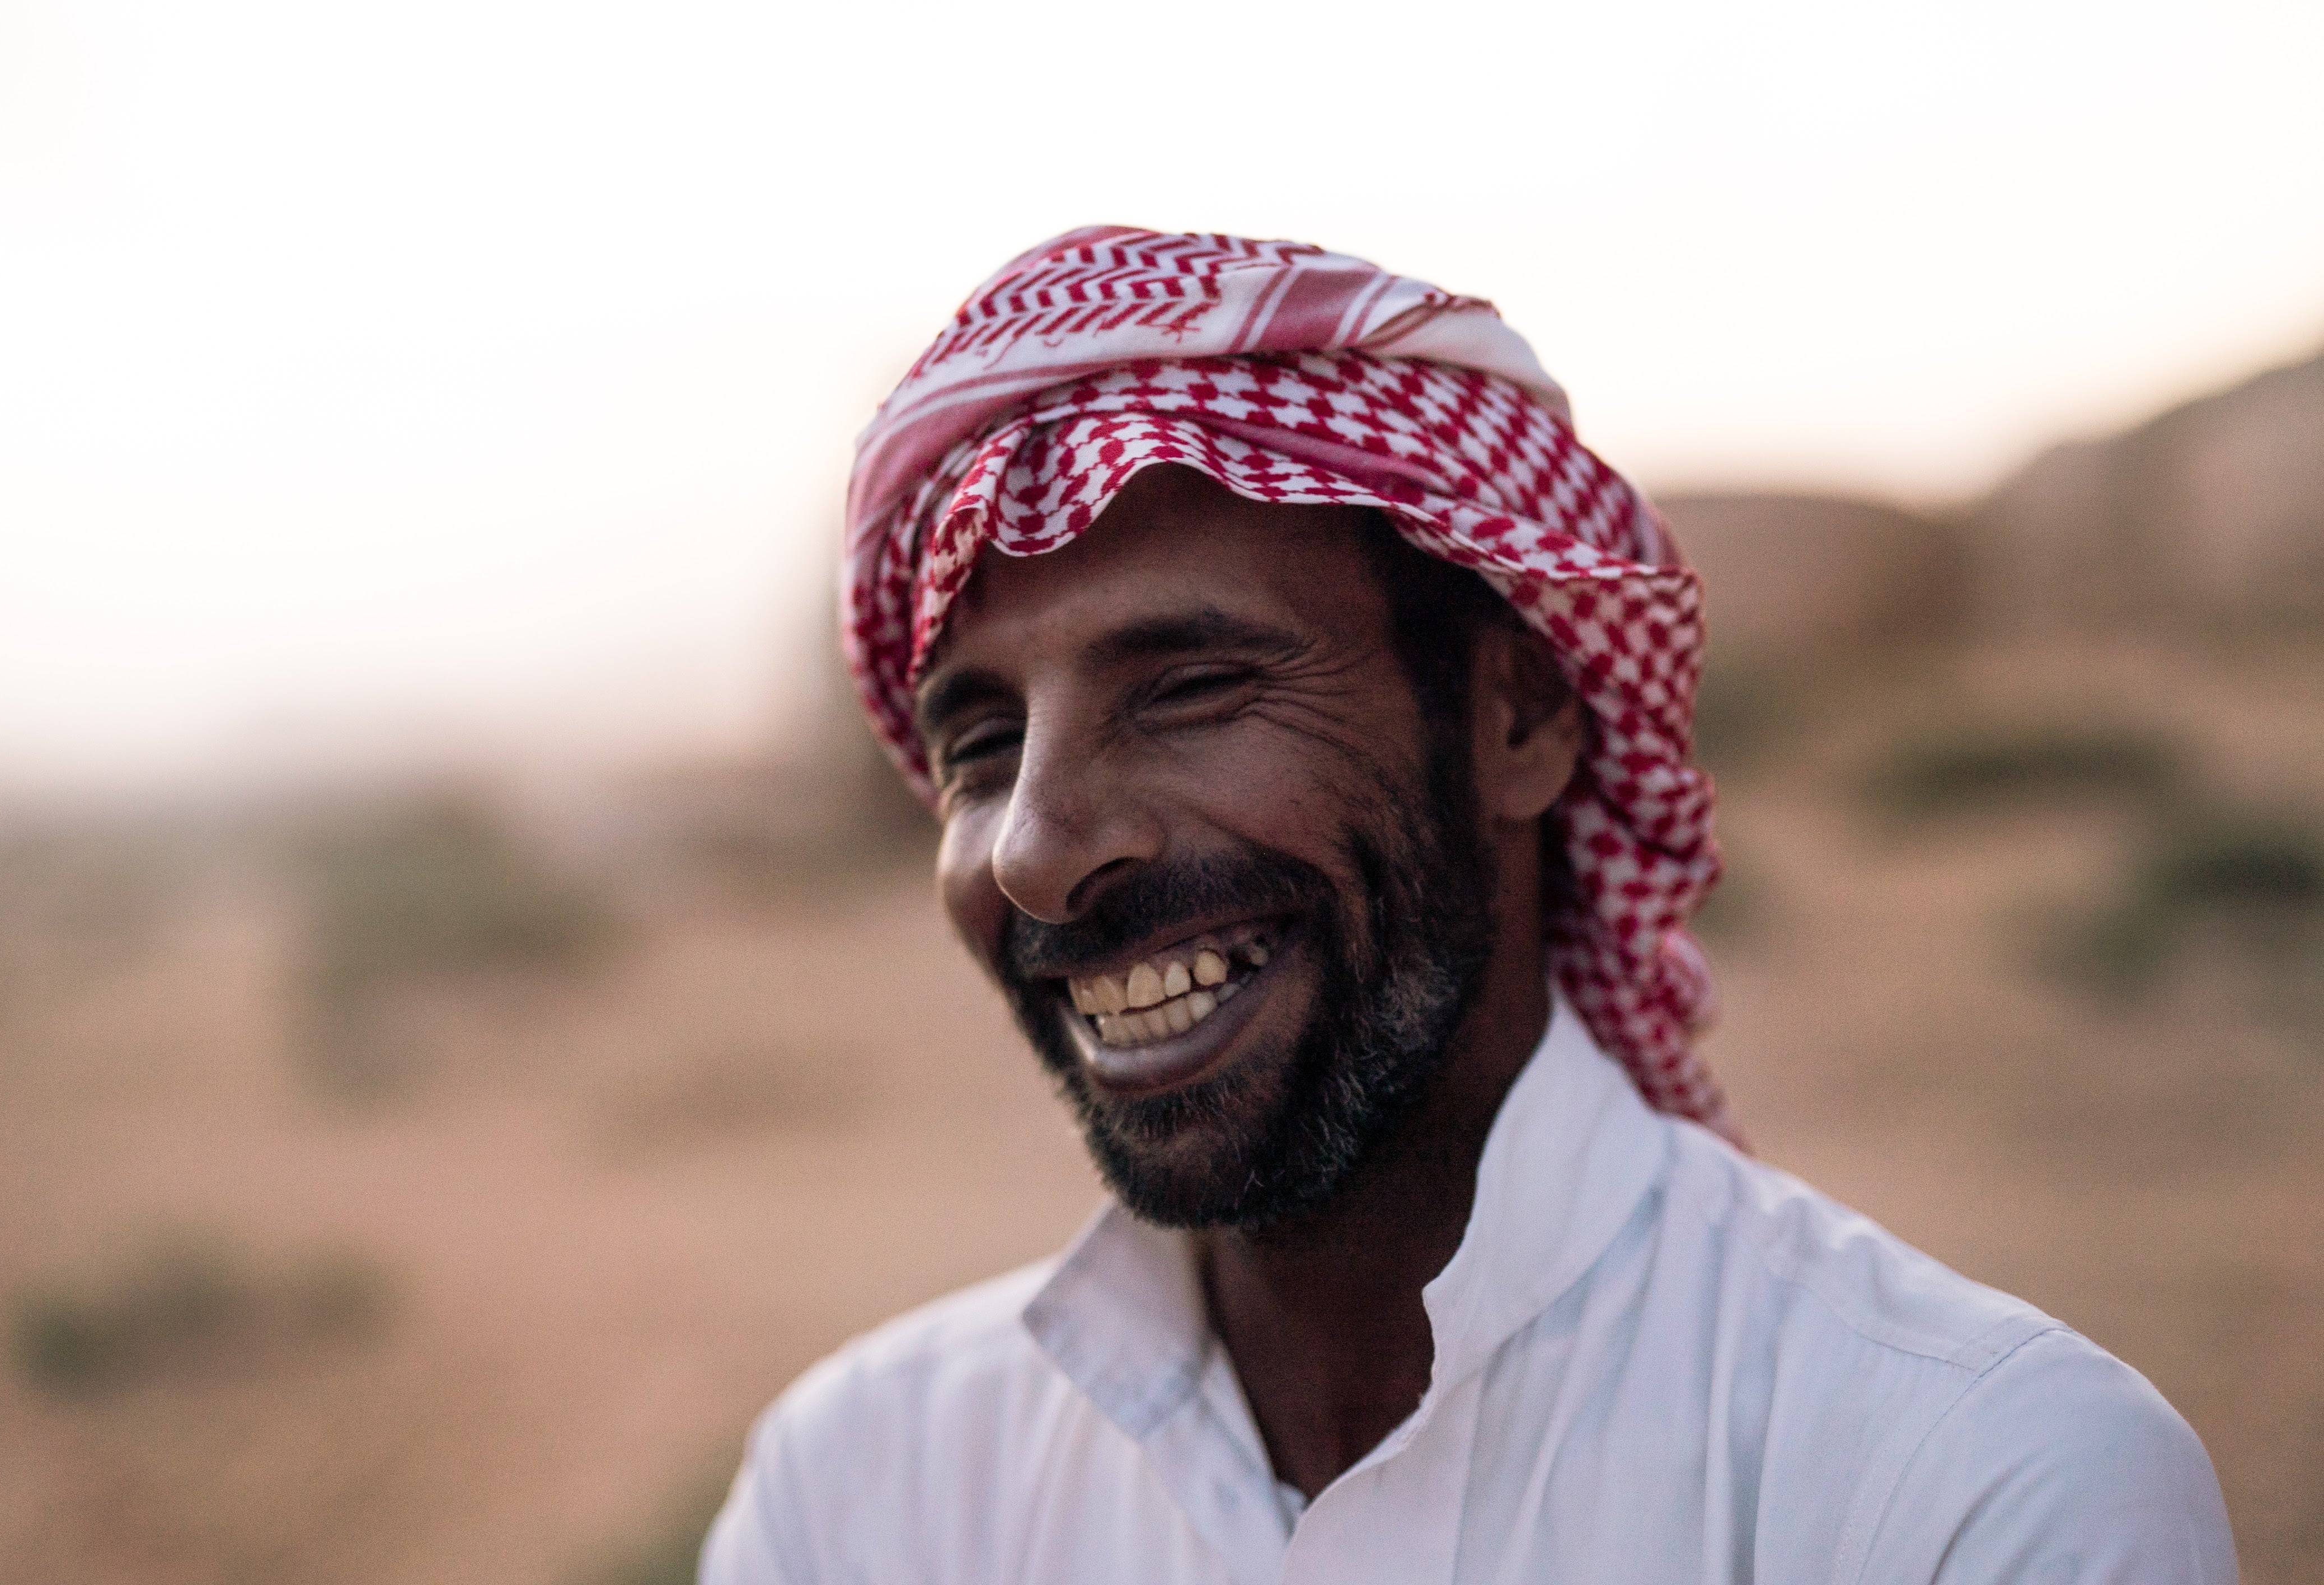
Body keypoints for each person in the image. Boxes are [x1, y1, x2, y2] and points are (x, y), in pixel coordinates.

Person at [700, 229, 2236, 1584]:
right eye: (981, 747)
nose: (1034, 852)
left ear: (1519, 718)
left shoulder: (1969, 1487)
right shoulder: (862, 1496)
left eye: (1192, 689)